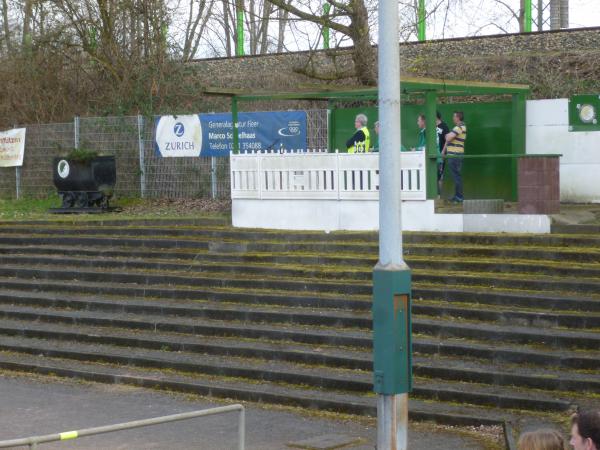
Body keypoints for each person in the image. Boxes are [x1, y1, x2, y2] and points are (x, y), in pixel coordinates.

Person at [443, 110, 467, 203]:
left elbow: (448, 138)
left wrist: (447, 135)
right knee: (457, 176)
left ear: (457, 117)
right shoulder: (459, 127)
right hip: (455, 154)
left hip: (455, 155)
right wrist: (448, 135)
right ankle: (458, 196)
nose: (453, 118)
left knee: (456, 176)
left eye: (454, 116)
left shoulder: (459, 127)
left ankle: (459, 197)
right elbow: (449, 137)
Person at [436, 111, 450, 198]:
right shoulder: (430, 126)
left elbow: (447, 140)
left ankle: (439, 196)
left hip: (441, 155)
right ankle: (434, 195)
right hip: (432, 155)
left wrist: (443, 152)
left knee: (440, 175)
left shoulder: (444, 126)